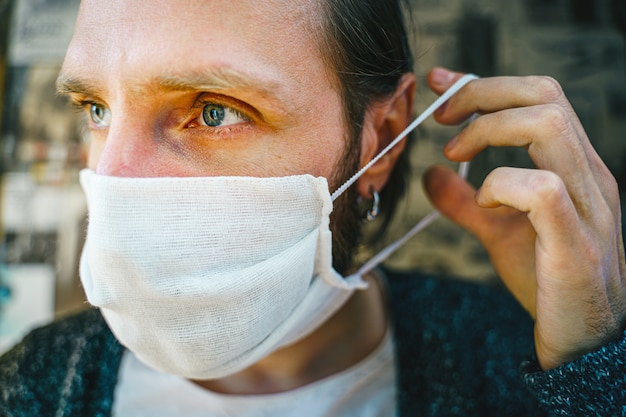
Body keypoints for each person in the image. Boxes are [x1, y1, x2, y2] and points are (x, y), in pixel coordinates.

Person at [1, 0, 626, 415]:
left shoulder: (519, 364)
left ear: (378, 138)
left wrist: (592, 374)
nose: (113, 188)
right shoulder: (32, 381)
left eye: (214, 111)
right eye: (96, 110)